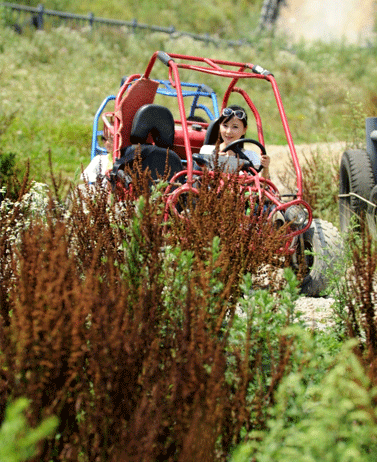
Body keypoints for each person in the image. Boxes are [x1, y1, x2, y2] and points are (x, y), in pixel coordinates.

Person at [200, 104, 271, 178]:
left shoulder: (251, 156)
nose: (228, 131)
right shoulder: (207, 151)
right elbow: (200, 179)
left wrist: (265, 167)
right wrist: (213, 163)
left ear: (244, 130)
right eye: (225, 125)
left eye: (235, 127)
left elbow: (263, 186)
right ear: (219, 126)